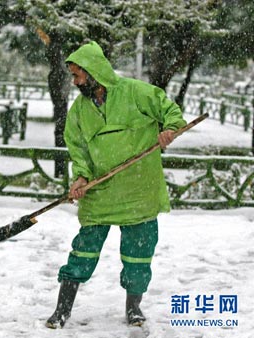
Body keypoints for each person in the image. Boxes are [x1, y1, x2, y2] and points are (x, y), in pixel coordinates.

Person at [45, 41, 186, 329]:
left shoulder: (136, 93)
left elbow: (169, 110)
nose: (74, 82)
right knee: (82, 251)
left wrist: (170, 129)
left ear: (93, 72)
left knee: (138, 255)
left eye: (77, 75)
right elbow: (78, 147)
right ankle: (62, 310)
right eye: (72, 76)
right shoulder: (79, 110)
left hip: (138, 191)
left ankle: (134, 308)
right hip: (101, 191)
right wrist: (82, 176)